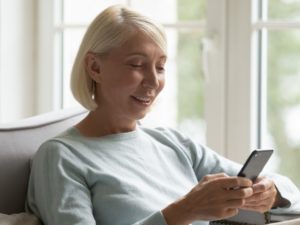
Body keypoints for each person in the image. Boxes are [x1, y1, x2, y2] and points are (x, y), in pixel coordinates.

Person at [26, 4, 300, 225]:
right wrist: (182, 212)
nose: (153, 81)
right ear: (95, 67)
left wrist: (271, 193)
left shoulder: (171, 143)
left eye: (160, 67)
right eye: (137, 64)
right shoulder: (61, 157)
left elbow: (291, 193)